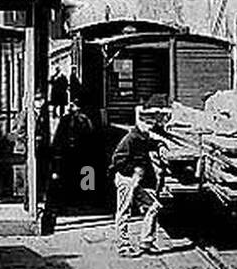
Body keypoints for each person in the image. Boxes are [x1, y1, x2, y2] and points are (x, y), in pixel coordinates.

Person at [109, 107, 166, 256]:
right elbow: (117, 160)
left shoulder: (143, 136)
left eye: (152, 124)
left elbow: (150, 143)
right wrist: (133, 170)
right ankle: (123, 246)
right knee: (124, 211)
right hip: (126, 178)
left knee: (153, 206)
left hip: (136, 179)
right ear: (140, 123)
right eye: (148, 124)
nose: (151, 128)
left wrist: (159, 144)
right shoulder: (130, 138)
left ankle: (146, 242)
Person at [50, 99, 96, 211]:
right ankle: (73, 200)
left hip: (79, 152)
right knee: (73, 177)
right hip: (72, 153)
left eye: (73, 105)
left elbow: (90, 136)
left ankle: (80, 201)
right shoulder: (69, 119)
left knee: (81, 178)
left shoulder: (83, 120)